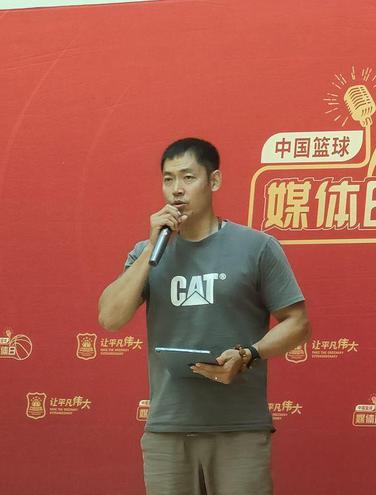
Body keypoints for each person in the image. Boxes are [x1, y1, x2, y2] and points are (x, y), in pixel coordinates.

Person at [98, 137, 310, 495]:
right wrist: (151, 248)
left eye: (188, 177)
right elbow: (110, 318)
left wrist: (248, 354)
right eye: (168, 179)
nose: (177, 189)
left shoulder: (256, 247)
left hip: (238, 427)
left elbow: (297, 323)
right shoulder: (148, 252)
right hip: (168, 428)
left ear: (214, 181)